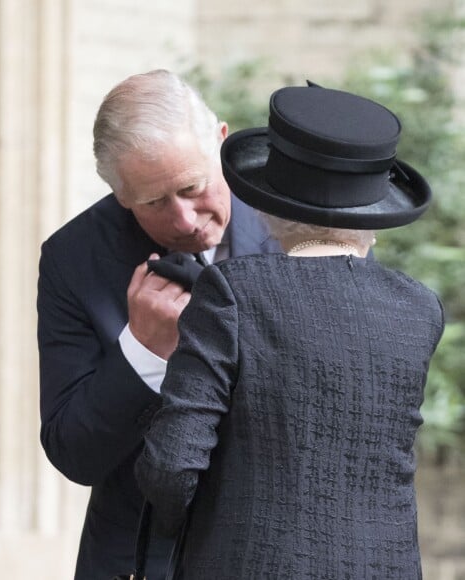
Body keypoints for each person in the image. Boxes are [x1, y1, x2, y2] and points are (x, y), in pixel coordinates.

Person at [135, 83, 445, 579]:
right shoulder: (419, 309)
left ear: (265, 206)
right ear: (377, 210)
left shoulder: (233, 292)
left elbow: (172, 466)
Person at [37, 69, 280, 579]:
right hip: (141, 555)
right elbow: (74, 454)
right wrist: (142, 352)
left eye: (193, 187)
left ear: (222, 142)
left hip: (279, 547)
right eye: (153, 203)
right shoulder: (73, 258)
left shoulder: (298, 219)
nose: (186, 220)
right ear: (121, 196)